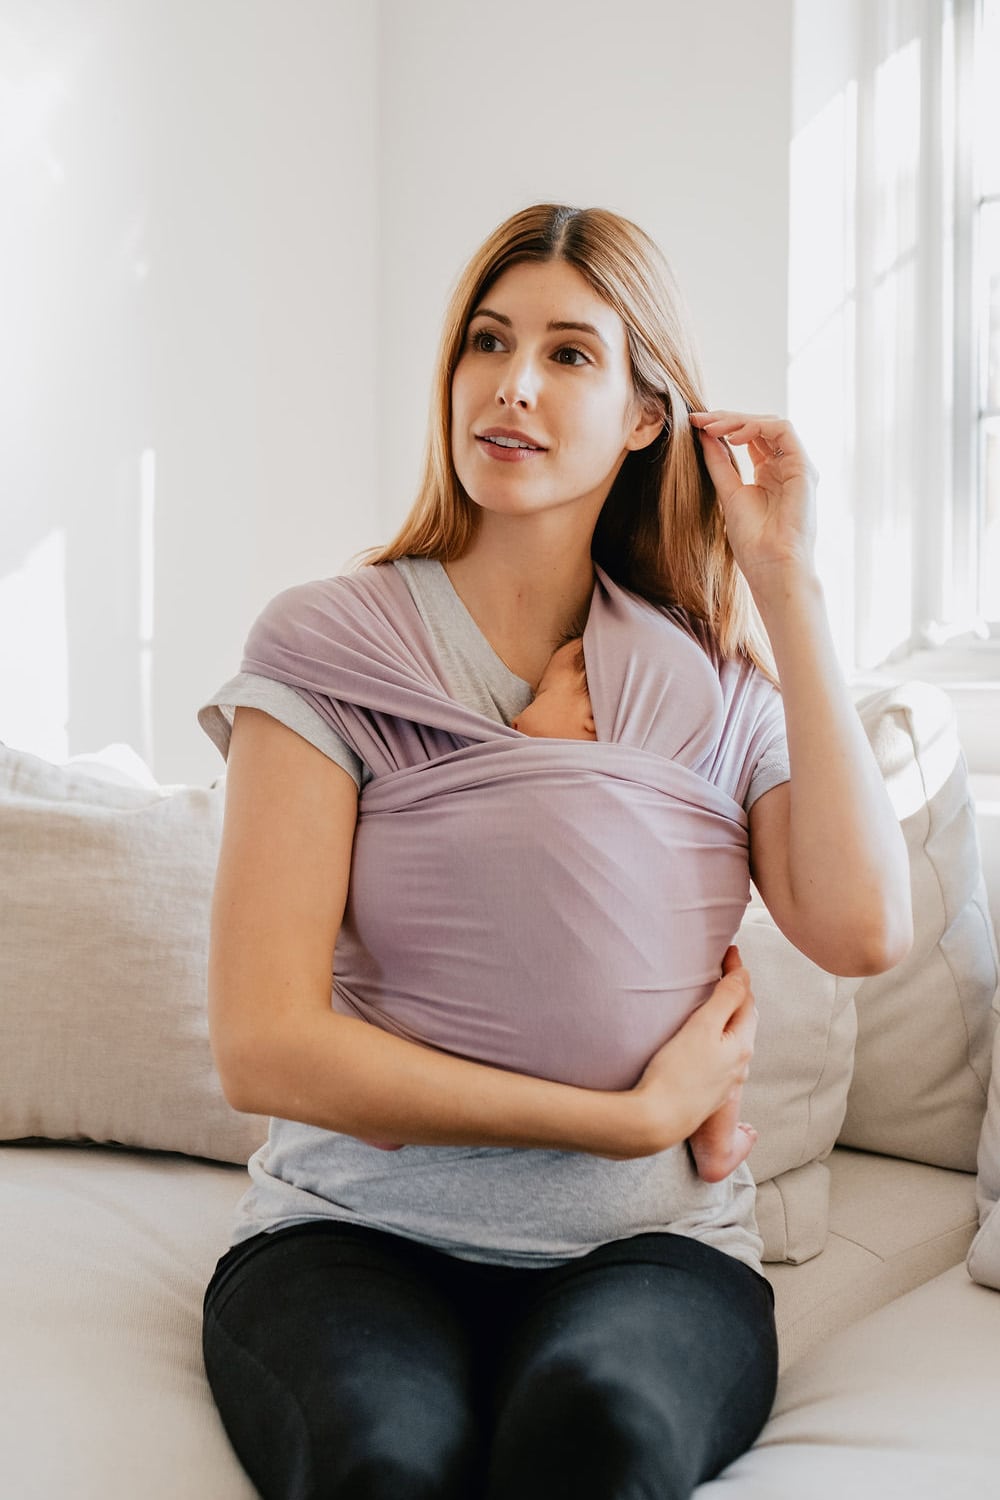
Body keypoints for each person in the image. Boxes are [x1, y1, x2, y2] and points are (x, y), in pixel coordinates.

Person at [198, 203, 912, 1500]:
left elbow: (865, 928)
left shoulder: (713, 681)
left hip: (651, 1257)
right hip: (354, 1239)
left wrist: (784, 580)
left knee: (601, 1438)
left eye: (571, 354)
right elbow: (265, 1045)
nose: (512, 385)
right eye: (488, 341)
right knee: (382, 1462)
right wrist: (622, 1117)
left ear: (649, 413)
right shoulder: (328, 643)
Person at [511, 632, 758, 1185]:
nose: (512, 721)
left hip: (649, 976)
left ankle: (716, 1143)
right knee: (723, 995)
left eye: (535, 697)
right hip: (606, 982)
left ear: (594, 720)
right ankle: (717, 1142)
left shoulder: (663, 796)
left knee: (722, 998)